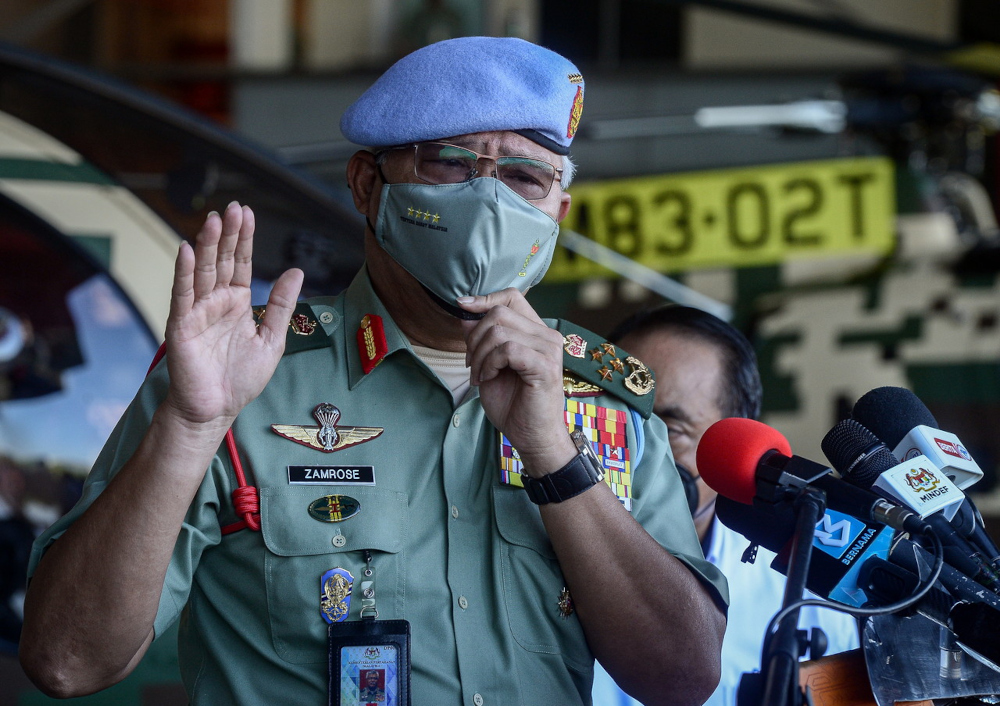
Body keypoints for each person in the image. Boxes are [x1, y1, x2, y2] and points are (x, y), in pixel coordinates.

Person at [19, 37, 728, 706]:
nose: (489, 202)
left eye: (524, 177)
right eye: (450, 163)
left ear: (557, 212)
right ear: (366, 183)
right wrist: (190, 424)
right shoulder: (245, 380)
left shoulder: (603, 401)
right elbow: (68, 660)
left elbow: (682, 676)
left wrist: (554, 457)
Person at [592, 305, 860, 706]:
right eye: (621, 418)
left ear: (737, 445)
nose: (638, 451)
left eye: (671, 429)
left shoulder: (807, 597)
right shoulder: (534, 564)